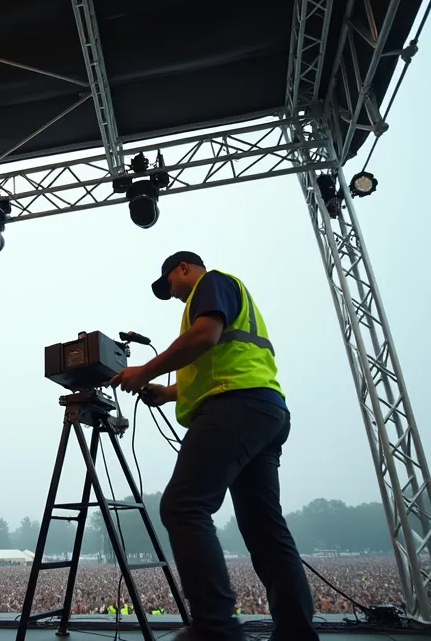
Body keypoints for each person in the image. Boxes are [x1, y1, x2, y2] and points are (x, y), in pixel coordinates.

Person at [110, 251, 317, 641]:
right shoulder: (223, 295)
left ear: (184, 268)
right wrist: (168, 393)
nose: (170, 292)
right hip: (264, 410)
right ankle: (297, 635)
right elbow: (217, 362)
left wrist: (143, 371)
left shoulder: (213, 283)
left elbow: (205, 337)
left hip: (235, 406)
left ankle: (214, 628)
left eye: (169, 282)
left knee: (182, 506)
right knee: (264, 530)